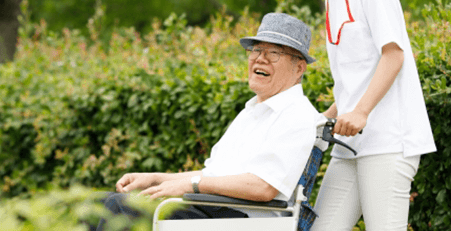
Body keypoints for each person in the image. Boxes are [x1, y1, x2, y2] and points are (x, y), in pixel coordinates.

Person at [282, 0, 437, 230]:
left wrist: (362, 112)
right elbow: (356, 76)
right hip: (350, 145)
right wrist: (324, 118)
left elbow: (394, 55)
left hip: (388, 140)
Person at [89, 12, 321, 230]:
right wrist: (155, 179)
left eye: (274, 53)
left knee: (121, 207)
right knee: (96, 204)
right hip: (213, 209)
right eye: (257, 50)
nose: (261, 59)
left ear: (299, 68)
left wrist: (191, 185)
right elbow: (214, 175)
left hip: (244, 221)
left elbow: (263, 187)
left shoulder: (296, 114)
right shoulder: (252, 111)